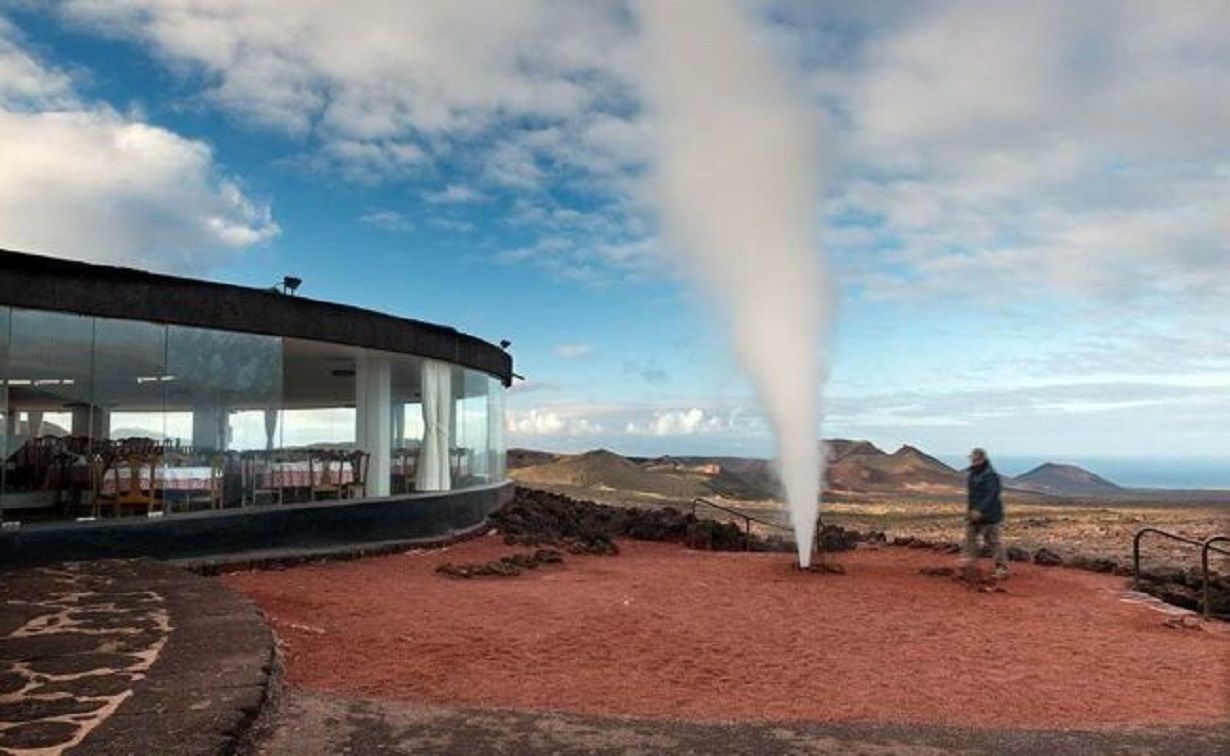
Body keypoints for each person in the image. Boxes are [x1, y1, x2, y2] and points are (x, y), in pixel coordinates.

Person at [964, 447, 1008, 579]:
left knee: (993, 541)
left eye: (975, 459)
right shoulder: (973, 474)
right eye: (972, 459)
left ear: (982, 459)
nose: (972, 461)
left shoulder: (990, 475)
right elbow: (972, 496)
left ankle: (1001, 568)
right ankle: (970, 564)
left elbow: (991, 495)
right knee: (970, 538)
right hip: (974, 514)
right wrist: (971, 510)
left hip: (990, 515)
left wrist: (979, 509)